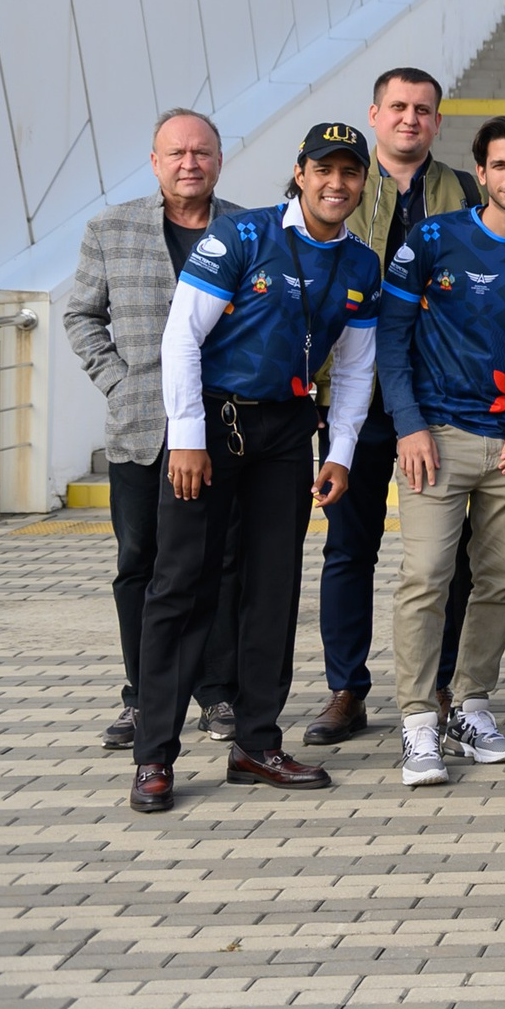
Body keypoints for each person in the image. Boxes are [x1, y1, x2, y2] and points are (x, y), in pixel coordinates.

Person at [125, 123, 383, 813]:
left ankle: (256, 744)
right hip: (213, 424)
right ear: (300, 173)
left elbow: (355, 369)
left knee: (273, 588)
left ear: (363, 182)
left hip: (288, 429)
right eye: (323, 169)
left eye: (349, 172)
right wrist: (187, 438)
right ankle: (154, 754)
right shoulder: (242, 235)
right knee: (182, 585)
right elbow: (182, 335)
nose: (336, 183)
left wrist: (340, 453)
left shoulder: (362, 265)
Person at [375, 116, 505, 786]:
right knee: (426, 576)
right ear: (481, 171)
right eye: (499, 165)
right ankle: (417, 721)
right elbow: (390, 338)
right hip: (435, 439)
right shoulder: (433, 238)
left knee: (499, 580)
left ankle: (470, 705)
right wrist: (408, 425)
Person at [304, 68, 481, 750]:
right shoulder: (340, 183)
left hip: (438, 400)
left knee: (445, 556)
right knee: (349, 548)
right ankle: (347, 689)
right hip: (350, 400)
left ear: (437, 122)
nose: (411, 118)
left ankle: (442, 684)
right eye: (398, 106)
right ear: (375, 114)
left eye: (423, 109)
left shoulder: (461, 191)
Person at [65, 109, 244, 751]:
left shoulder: (246, 229)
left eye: (201, 152)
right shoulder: (110, 229)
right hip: (141, 425)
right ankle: (144, 696)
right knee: (139, 562)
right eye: (176, 153)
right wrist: (118, 382)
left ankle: (218, 692)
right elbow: (82, 316)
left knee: (222, 562)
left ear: (218, 160)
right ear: (155, 162)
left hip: (223, 424)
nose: (189, 163)